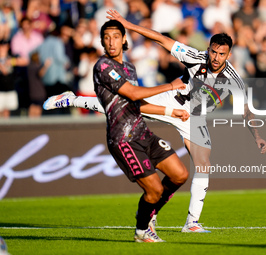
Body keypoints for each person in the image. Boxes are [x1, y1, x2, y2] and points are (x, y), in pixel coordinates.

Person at [44, 10, 266, 233]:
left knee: (203, 166)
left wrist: (257, 136)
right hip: (170, 99)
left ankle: (191, 223)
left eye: (222, 54)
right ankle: (73, 100)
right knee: (124, 106)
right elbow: (162, 39)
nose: (216, 57)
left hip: (194, 118)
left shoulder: (234, 81)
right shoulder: (196, 57)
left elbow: (247, 111)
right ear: (208, 49)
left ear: (229, 55)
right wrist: (128, 25)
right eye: (213, 52)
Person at [45, 19, 189, 243]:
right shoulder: (103, 66)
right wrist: (170, 86)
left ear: (124, 39)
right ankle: (142, 231)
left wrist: (170, 111)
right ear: (102, 41)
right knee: (154, 190)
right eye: (106, 37)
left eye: (115, 37)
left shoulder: (129, 67)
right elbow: (132, 93)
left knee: (180, 174)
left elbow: (135, 104)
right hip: (123, 139)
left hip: (142, 132)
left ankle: (149, 213)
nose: (111, 42)